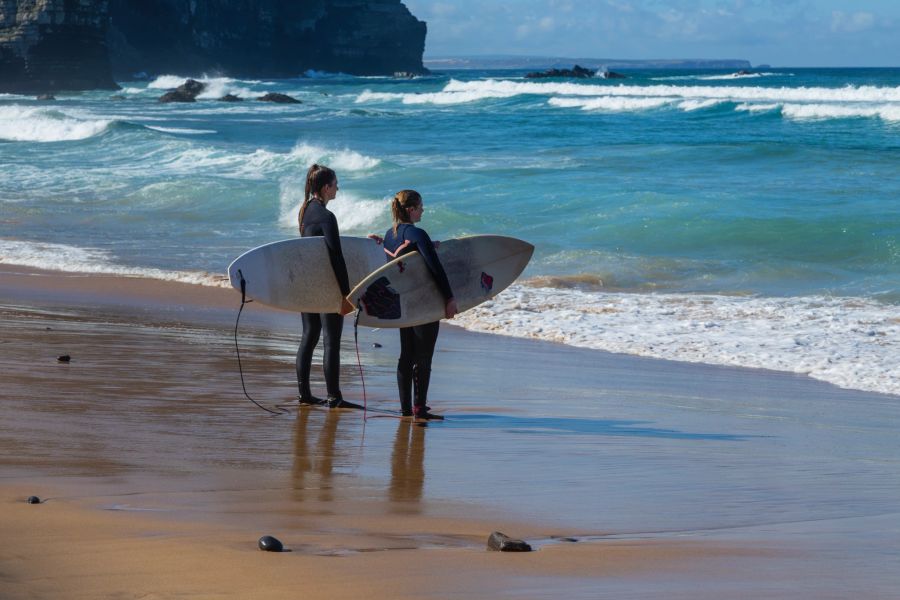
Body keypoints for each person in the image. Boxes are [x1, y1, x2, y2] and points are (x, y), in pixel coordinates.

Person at [380, 190, 458, 420]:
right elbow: (435, 268)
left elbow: (401, 264)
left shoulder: (389, 235)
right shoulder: (417, 233)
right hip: (424, 303)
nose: (423, 210)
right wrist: (449, 298)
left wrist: (426, 246)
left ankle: (406, 409)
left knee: (406, 355)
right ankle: (419, 409)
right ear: (412, 209)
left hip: (403, 303)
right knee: (424, 357)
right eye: (421, 206)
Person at [296, 164, 356, 409]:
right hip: (326, 286)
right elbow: (336, 257)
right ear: (325, 187)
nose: (338, 188)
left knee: (309, 336)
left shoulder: (305, 211)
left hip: (307, 284)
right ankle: (334, 397)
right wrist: (346, 293)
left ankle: (305, 394)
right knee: (331, 341)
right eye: (335, 184)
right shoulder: (327, 217)